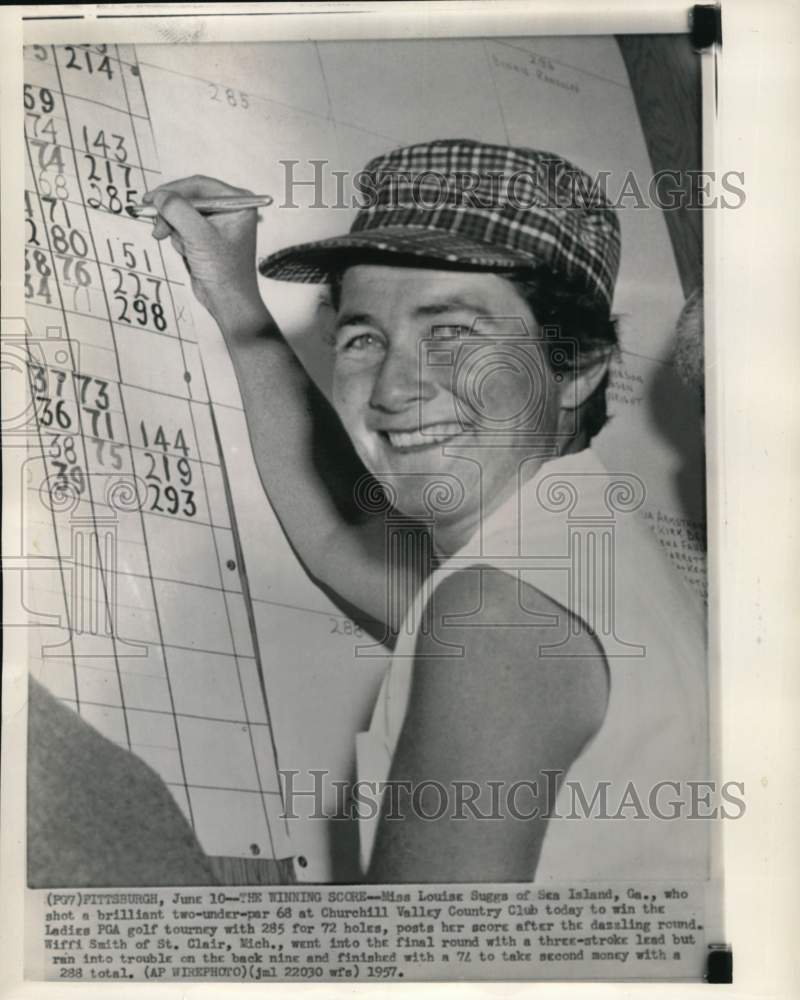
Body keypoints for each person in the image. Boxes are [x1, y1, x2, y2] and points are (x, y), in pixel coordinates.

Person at [145, 138, 707, 883]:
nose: (389, 390)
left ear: (576, 369)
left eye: (450, 333)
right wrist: (236, 302)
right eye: (363, 338)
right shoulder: (571, 546)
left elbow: (423, 979)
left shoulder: (502, 615)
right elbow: (335, 539)